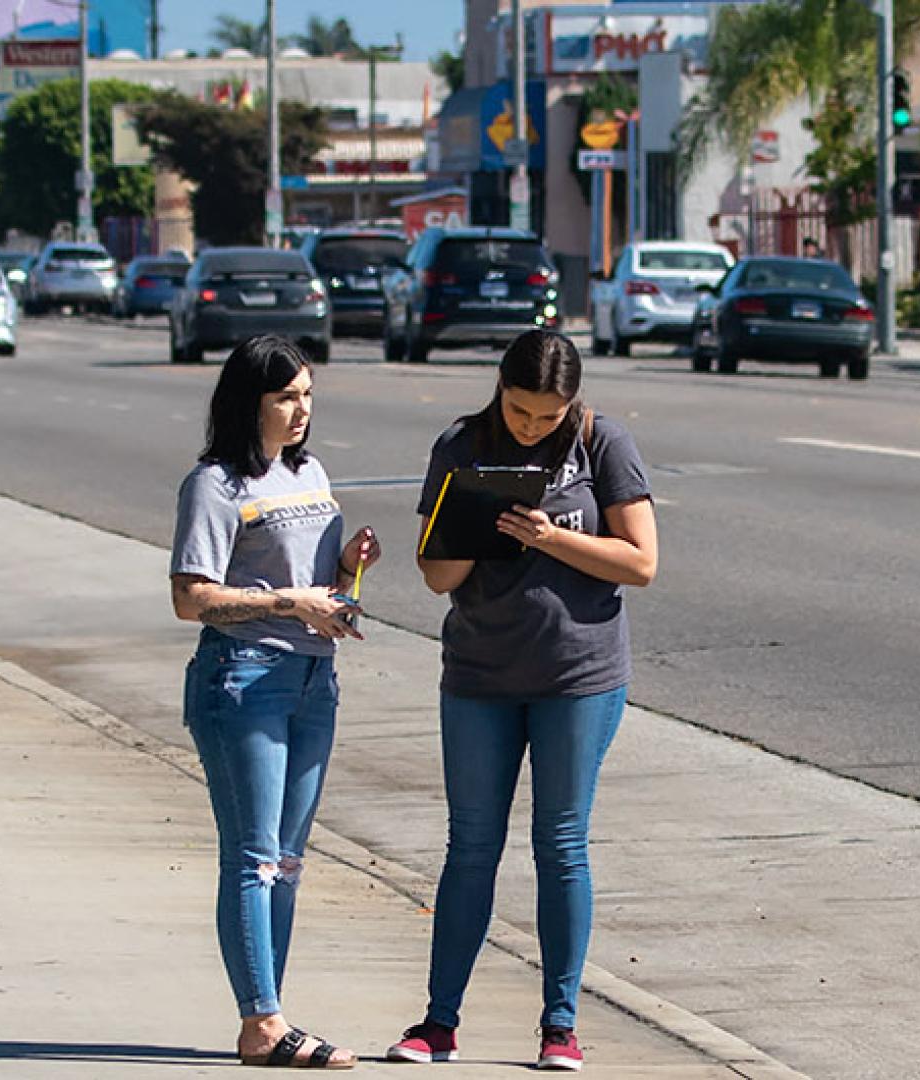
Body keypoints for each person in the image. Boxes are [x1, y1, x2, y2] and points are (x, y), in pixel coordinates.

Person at [387, 330, 658, 1071]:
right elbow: (438, 578)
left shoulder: (603, 444)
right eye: (518, 411)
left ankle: (560, 1026)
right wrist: (476, 521)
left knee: (560, 844)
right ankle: (438, 1024)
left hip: (578, 673)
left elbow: (641, 562)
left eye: (547, 416)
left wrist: (546, 537)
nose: (531, 426)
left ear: (572, 404)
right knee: (471, 846)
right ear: (498, 390)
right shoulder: (462, 444)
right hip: (479, 673)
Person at [171, 335, 381, 1070]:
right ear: (249, 402)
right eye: (286, 397)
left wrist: (349, 569)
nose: (301, 411)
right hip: (243, 677)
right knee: (254, 857)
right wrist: (290, 601)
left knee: (288, 861)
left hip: (312, 680)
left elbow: (328, 593)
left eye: (308, 396)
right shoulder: (217, 485)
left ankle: (270, 1015)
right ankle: (262, 1022)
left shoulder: (310, 472)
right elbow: (190, 598)